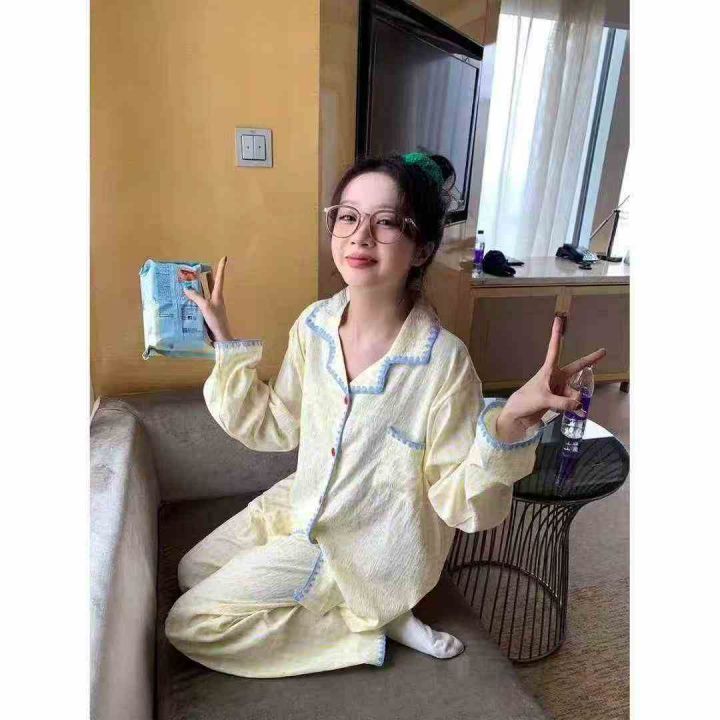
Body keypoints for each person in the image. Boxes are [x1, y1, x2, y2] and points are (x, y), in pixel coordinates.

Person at [164, 152, 606, 678]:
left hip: (369, 547)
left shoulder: (443, 363)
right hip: (303, 506)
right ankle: (377, 615)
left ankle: (368, 623)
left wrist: (510, 421)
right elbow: (278, 423)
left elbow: (458, 500)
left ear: (422, 248)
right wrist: (224, 338)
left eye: (388, 222)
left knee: (190, 623)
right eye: (348, 216)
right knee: (192, 571)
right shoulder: (314, 326)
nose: (360, 236)